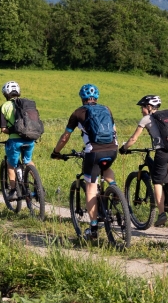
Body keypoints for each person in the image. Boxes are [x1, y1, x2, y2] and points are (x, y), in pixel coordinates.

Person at [51, 84, 119, 239]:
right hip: (112, 149)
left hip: (93, 152)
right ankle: (115, 190)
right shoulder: (107, 109)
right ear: (97, 97)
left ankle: (93, 228)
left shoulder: (78, 113)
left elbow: (65, 137)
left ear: (82, 97)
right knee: (105, 167)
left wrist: (56, 152)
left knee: (91, 186)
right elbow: (114, 131)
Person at [119, 95, 168, 227]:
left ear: (148, 107)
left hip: (163, 153)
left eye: (142, 107)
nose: (141, 110)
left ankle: (161, 214)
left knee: (157, 182)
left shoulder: (146, 119)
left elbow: (133, 139)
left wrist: (124, 148)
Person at [0, 81, 35, 193]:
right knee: (28, 161)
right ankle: (38, 186)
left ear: (6, 94)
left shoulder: (5, 106)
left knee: (11, 164)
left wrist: (12, 131)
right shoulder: (28, 103)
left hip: (15, 141)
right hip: (30, 139)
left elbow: (3, 129)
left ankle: (13, 190)